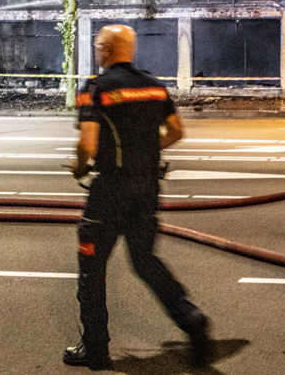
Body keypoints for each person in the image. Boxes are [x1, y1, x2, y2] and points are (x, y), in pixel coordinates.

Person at [65, 25, 211, 370]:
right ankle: (190, 318)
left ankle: (96, 349)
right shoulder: (154, 87)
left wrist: (78, 169)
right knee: (144, 260)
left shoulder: (95, 89)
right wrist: (144, 152)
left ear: (106, 49)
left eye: (99, 45)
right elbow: (176, 132)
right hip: (146, 190)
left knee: (92, 269)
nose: (98, 50)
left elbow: (87, 145)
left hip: (109, 194)